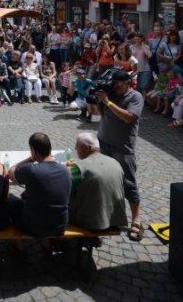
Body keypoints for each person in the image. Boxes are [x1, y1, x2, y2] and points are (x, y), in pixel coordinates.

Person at [94, 69, 145, 242]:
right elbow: (101, 114)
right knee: (106, 179)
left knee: (129, 183)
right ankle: (107, 215)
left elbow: (129, 117)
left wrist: (108, 102)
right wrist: (101, 101)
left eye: (118, 83)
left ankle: (136, 219)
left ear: (127, 83)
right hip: (104, 142)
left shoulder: (135, 97)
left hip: (123, 148)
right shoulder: (110, 94)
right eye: (113, 83)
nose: (114, 86)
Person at [7, 132, 71, 238]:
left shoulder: (32, 170)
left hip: (34, 227)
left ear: (33, 150)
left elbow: (11, 171)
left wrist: (30, 158)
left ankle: (19, 245)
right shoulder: (65, 170)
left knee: (10, 199)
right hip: (60, 226)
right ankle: (47, 244)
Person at [67, 132, 127, 231]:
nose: (75, 149)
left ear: (86, 148)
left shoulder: (79, 167)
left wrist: (67, 171)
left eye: (76, 146)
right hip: (114, 219)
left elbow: (66, 192)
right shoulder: (115, 162)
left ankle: (48, 241)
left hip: (91, 221)